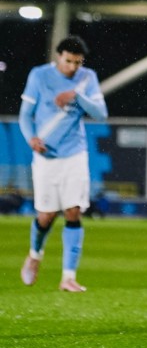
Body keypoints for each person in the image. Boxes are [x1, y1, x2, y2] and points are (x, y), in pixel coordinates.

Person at [18, 36, 108, 292]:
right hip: (46, 156)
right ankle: (35, 255)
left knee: (73, 210)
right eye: (68, 61)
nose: (72, 67)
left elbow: (101, 114)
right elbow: (25, 115)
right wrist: (31, 138)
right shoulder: (39, 75)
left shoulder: (87, 78)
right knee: (46, 216)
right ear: (59, 57)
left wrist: (77, 96)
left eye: (77, 63)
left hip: (75, 154)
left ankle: (68, 276)